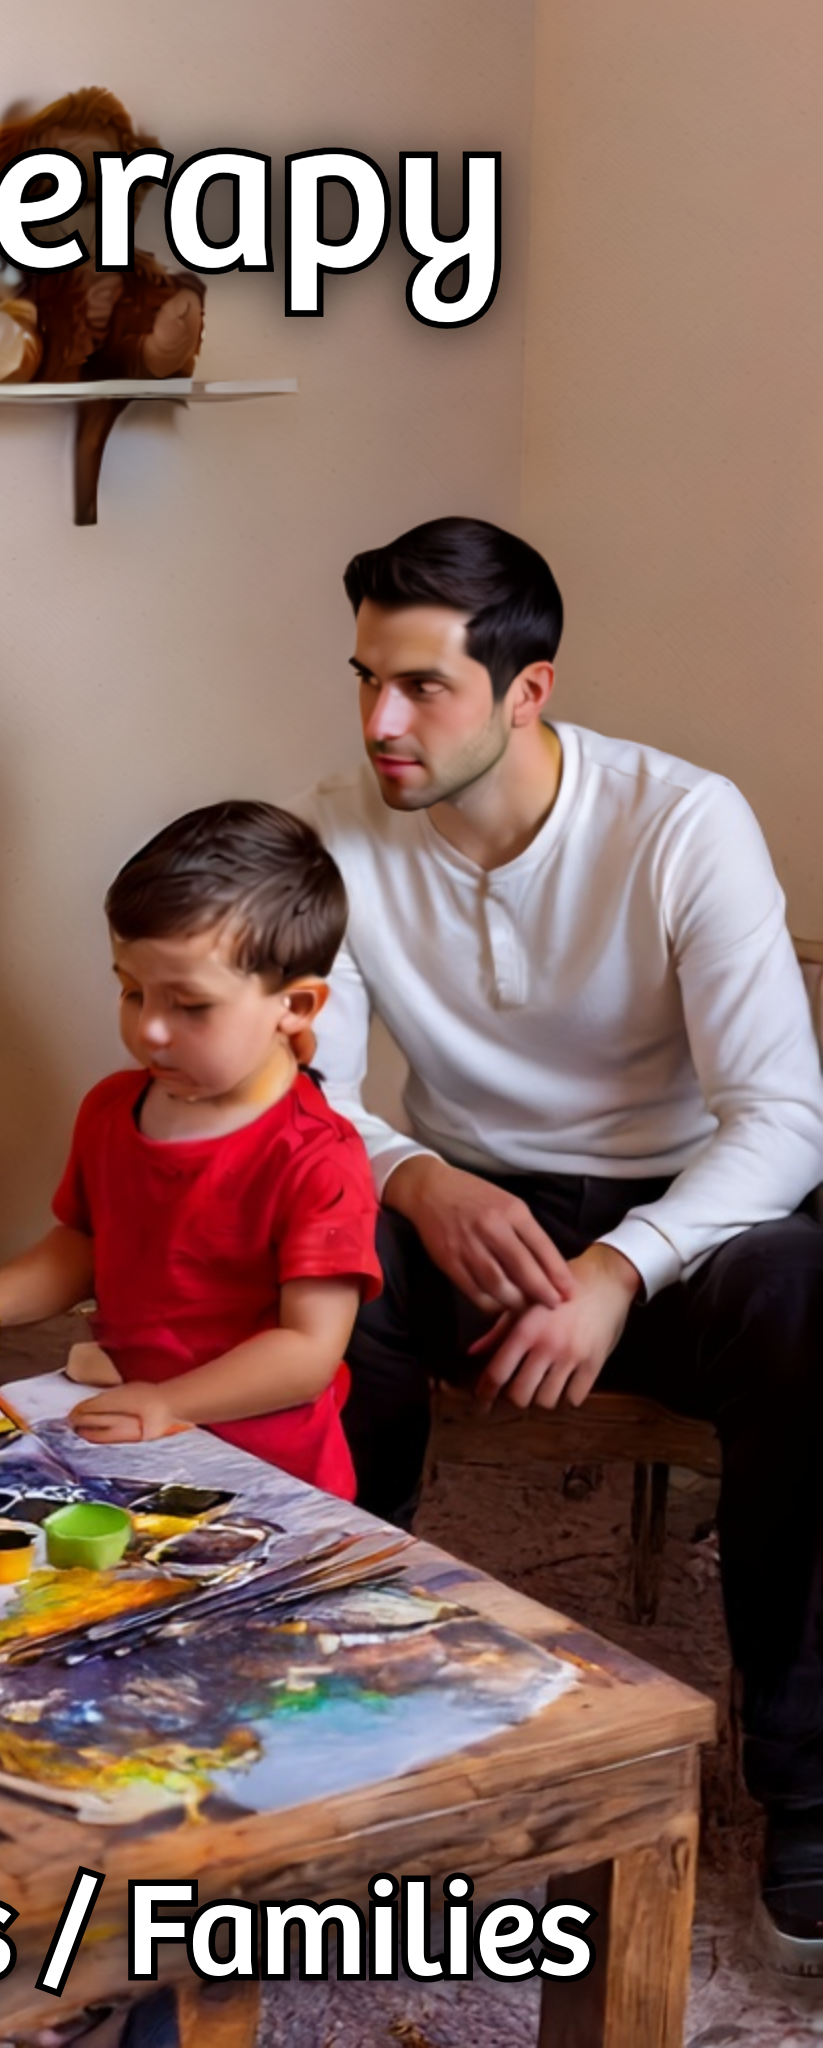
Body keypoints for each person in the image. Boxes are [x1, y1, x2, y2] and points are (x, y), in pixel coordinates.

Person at [295, 514, 823, 1964]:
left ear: (529, 691)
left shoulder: (680, 818)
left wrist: (616, 1272)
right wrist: (415, 1181)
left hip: (684, 1225)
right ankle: (332, 1682)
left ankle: (809, 1783)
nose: (380, 723)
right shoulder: (344, 827)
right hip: (470, 1209)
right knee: (318, 1251)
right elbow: (315, 1105)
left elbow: (783, 1118)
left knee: (811, 1298)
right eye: (364, 680)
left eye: (420, 689)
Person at [0, 802, 381, 1494]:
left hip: (269, 1475)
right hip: (132, 1441)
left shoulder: (319, 1158)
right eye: (131, 991)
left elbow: (307, 1351)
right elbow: (88, 1245)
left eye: (190, 1005)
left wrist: (172, 1402)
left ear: (296, 1008)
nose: (149, 1030)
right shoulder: (112, 1108)